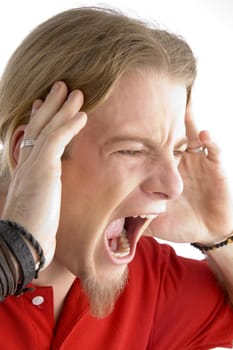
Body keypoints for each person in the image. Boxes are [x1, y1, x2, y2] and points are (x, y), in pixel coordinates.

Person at [0, 6, 232, 349]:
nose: (173, 185)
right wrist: (13, 255)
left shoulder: (149, 281)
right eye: (133, 151)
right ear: (29, 152)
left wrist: (221, 235)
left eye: (178, 151)